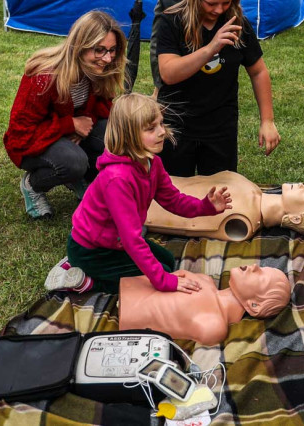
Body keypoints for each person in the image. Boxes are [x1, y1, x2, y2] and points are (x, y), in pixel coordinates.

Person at [44, 93, 232, 295]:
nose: (161, 132)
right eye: (151, 128)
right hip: (92, 250)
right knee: (158, 277)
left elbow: (173, 200)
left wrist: (206, 206)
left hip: (116, 243)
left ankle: (93, 271)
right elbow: (132, 239)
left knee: (167, 261)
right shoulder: (117, 179)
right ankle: (84, 281)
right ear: (128, 135)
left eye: (161, 124)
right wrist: (163, 281)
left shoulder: (152, 163)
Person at [157, 0, 280, 176]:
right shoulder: (172, 21)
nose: (218, 9)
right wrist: (210, 48)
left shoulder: (238, 24)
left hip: (220, 125)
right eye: (211, 3)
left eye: (226, 2)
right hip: (175, 125)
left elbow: (258, 71)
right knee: (172, 194)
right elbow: (168, 74)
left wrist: (267, 121)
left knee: (221, 194)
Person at [3, 10, 126, 219]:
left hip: (66, 133)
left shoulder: (97, 70)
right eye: (99, 50)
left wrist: (84, 123)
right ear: (79, 46)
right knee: (73, 162)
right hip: (32, 143)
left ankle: (84, 180)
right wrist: (70, 125)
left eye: (112, 50)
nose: (107, 58)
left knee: (115, 136)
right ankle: (33, 185)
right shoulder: (44, 76)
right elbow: (21, 133)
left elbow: (104, 108)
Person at [118, 264, 291, 345]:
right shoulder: (205, 280)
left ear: (254, 305)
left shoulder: (214, 325)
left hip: (128, 316)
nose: (254, 266)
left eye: (260, 276)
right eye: (261, 267)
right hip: (128, 288)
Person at [146, 171, 304, 241]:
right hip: (151, 178)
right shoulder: (254, 192)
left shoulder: (243, 220)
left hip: (141, 194)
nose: (302, 186)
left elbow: (182, 221)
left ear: (296, 217)